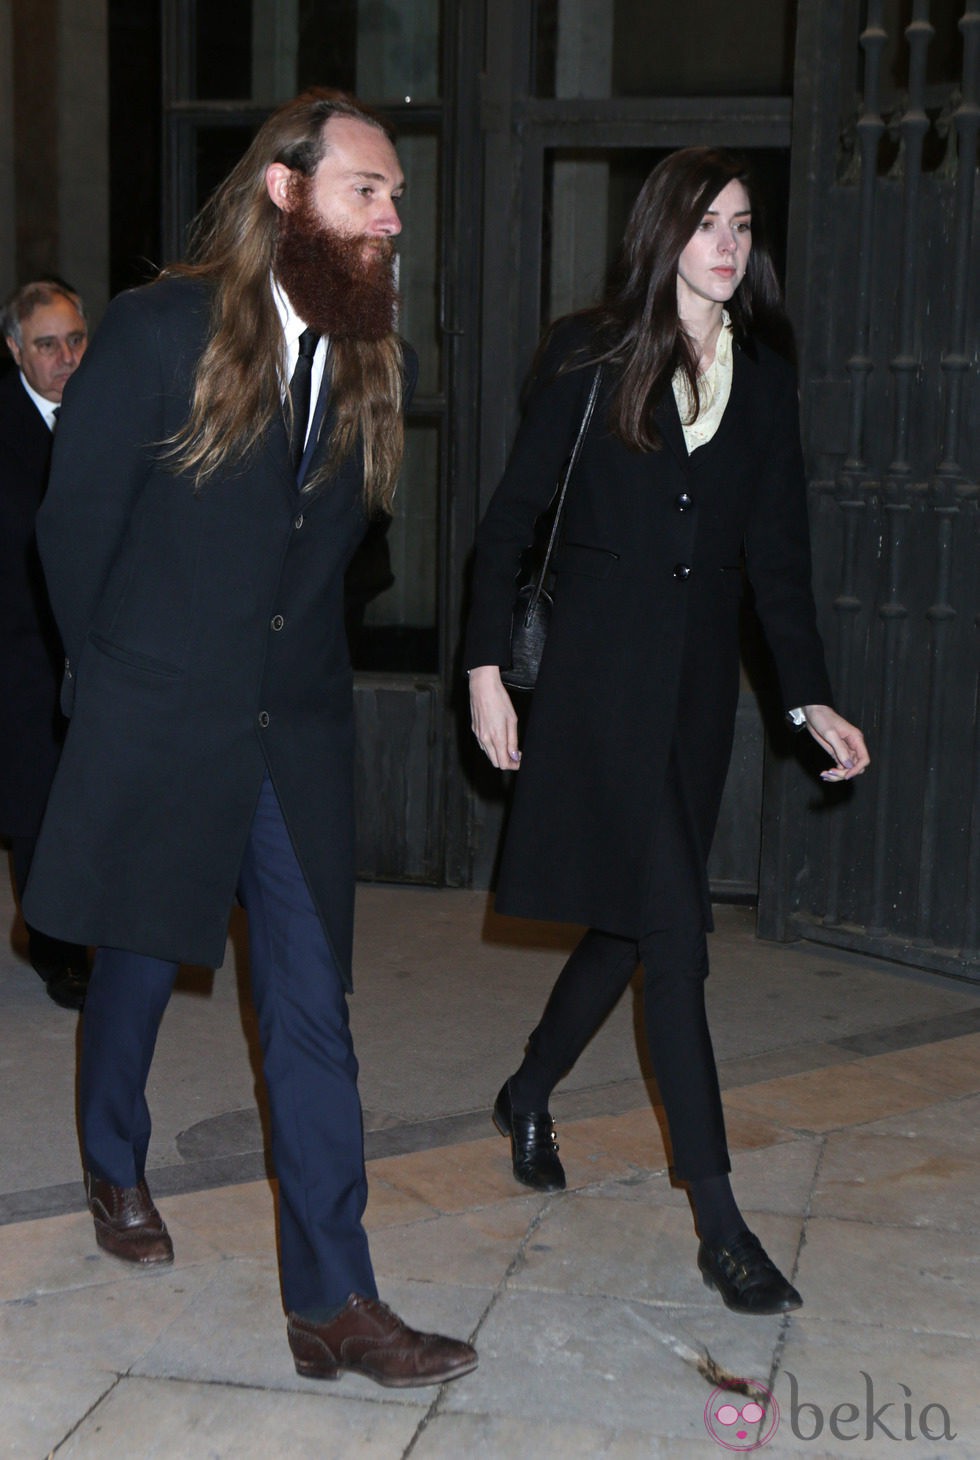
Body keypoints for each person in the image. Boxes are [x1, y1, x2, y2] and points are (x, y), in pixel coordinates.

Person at [23, 89, 477, 1388]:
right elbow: (73, 532)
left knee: (310, 1010)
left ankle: (333, 1300)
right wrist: (114, 689)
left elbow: (331, 561)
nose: (393, 217)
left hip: (295, 737)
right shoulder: (161, 329)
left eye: (396, 198)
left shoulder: (367, 360)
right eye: (368, 192)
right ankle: (114, 1162)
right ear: (287, 193)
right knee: (136, 957)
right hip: (164, 710)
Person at [466, 147, 870, 1317]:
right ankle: (720, 1220)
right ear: (662, 234)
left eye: (741, 223)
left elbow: (776, 564)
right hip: (593, 694)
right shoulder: (589, 353)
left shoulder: (769, 376)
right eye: (704, 223)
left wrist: (807, 697)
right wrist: (488, 667)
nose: (727, 243)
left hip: (694, 707)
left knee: (632, 925)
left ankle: (528, 1087)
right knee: (679, 939)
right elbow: (507, 523)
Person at [0, 279, 90, 1009]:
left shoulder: (109, 414)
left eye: (74, 340)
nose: (64, 358)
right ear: (14, 350)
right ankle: (54, 946)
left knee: (94, 798)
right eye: (46, 345)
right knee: (38, 803)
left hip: (102, 647)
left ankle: (95, 925)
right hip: (21, 647)